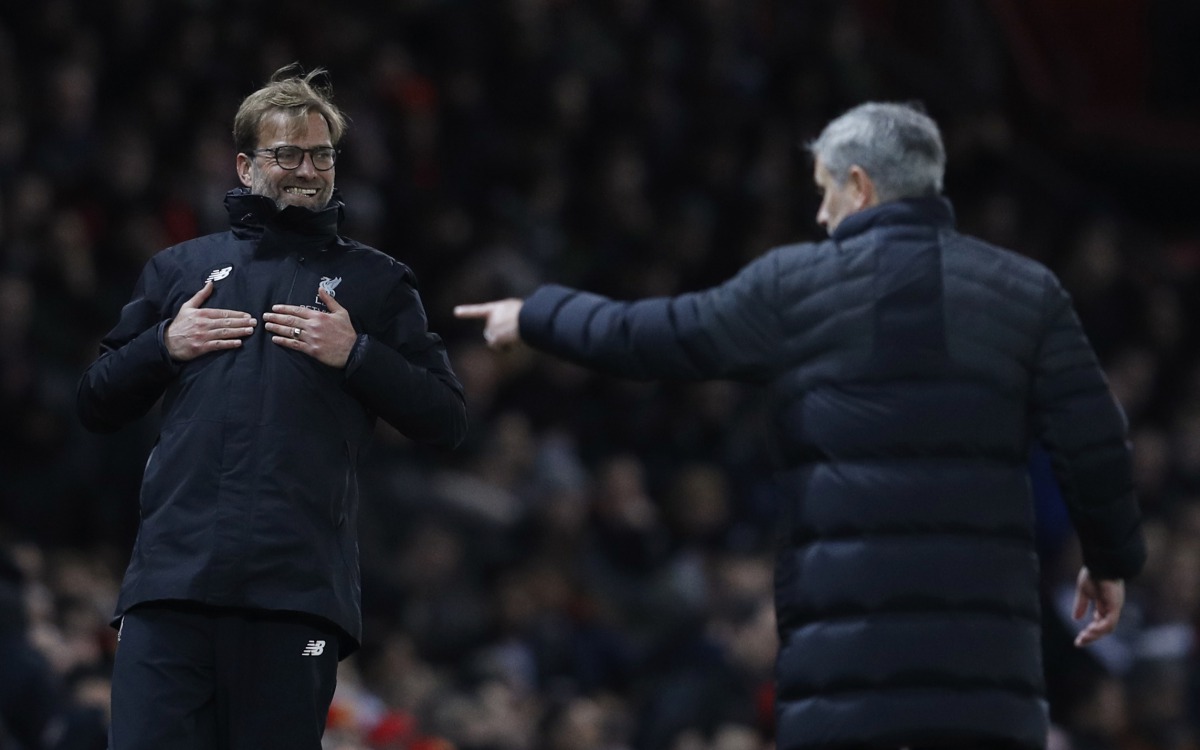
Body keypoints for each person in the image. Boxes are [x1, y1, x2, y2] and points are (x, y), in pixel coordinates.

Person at [455, 102, 1146, 749]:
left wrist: (538, 315)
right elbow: (1095, 438)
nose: (820, 214)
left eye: (825, 192)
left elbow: (651, 336)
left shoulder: (794, 286)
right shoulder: (1029, 293)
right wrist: (1111, 559)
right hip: (986, 682)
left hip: (845, 677)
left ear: (860, 184)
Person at [77, 64, 467, 750]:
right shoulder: (177, 271)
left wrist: (358, 353)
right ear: (246, 164)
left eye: (321, 155)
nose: (307, 170)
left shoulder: (377, 283)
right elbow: (96, 401)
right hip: (172, 584)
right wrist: (164, 345)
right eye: (287, 154)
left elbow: (445, 418)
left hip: (296, 595)